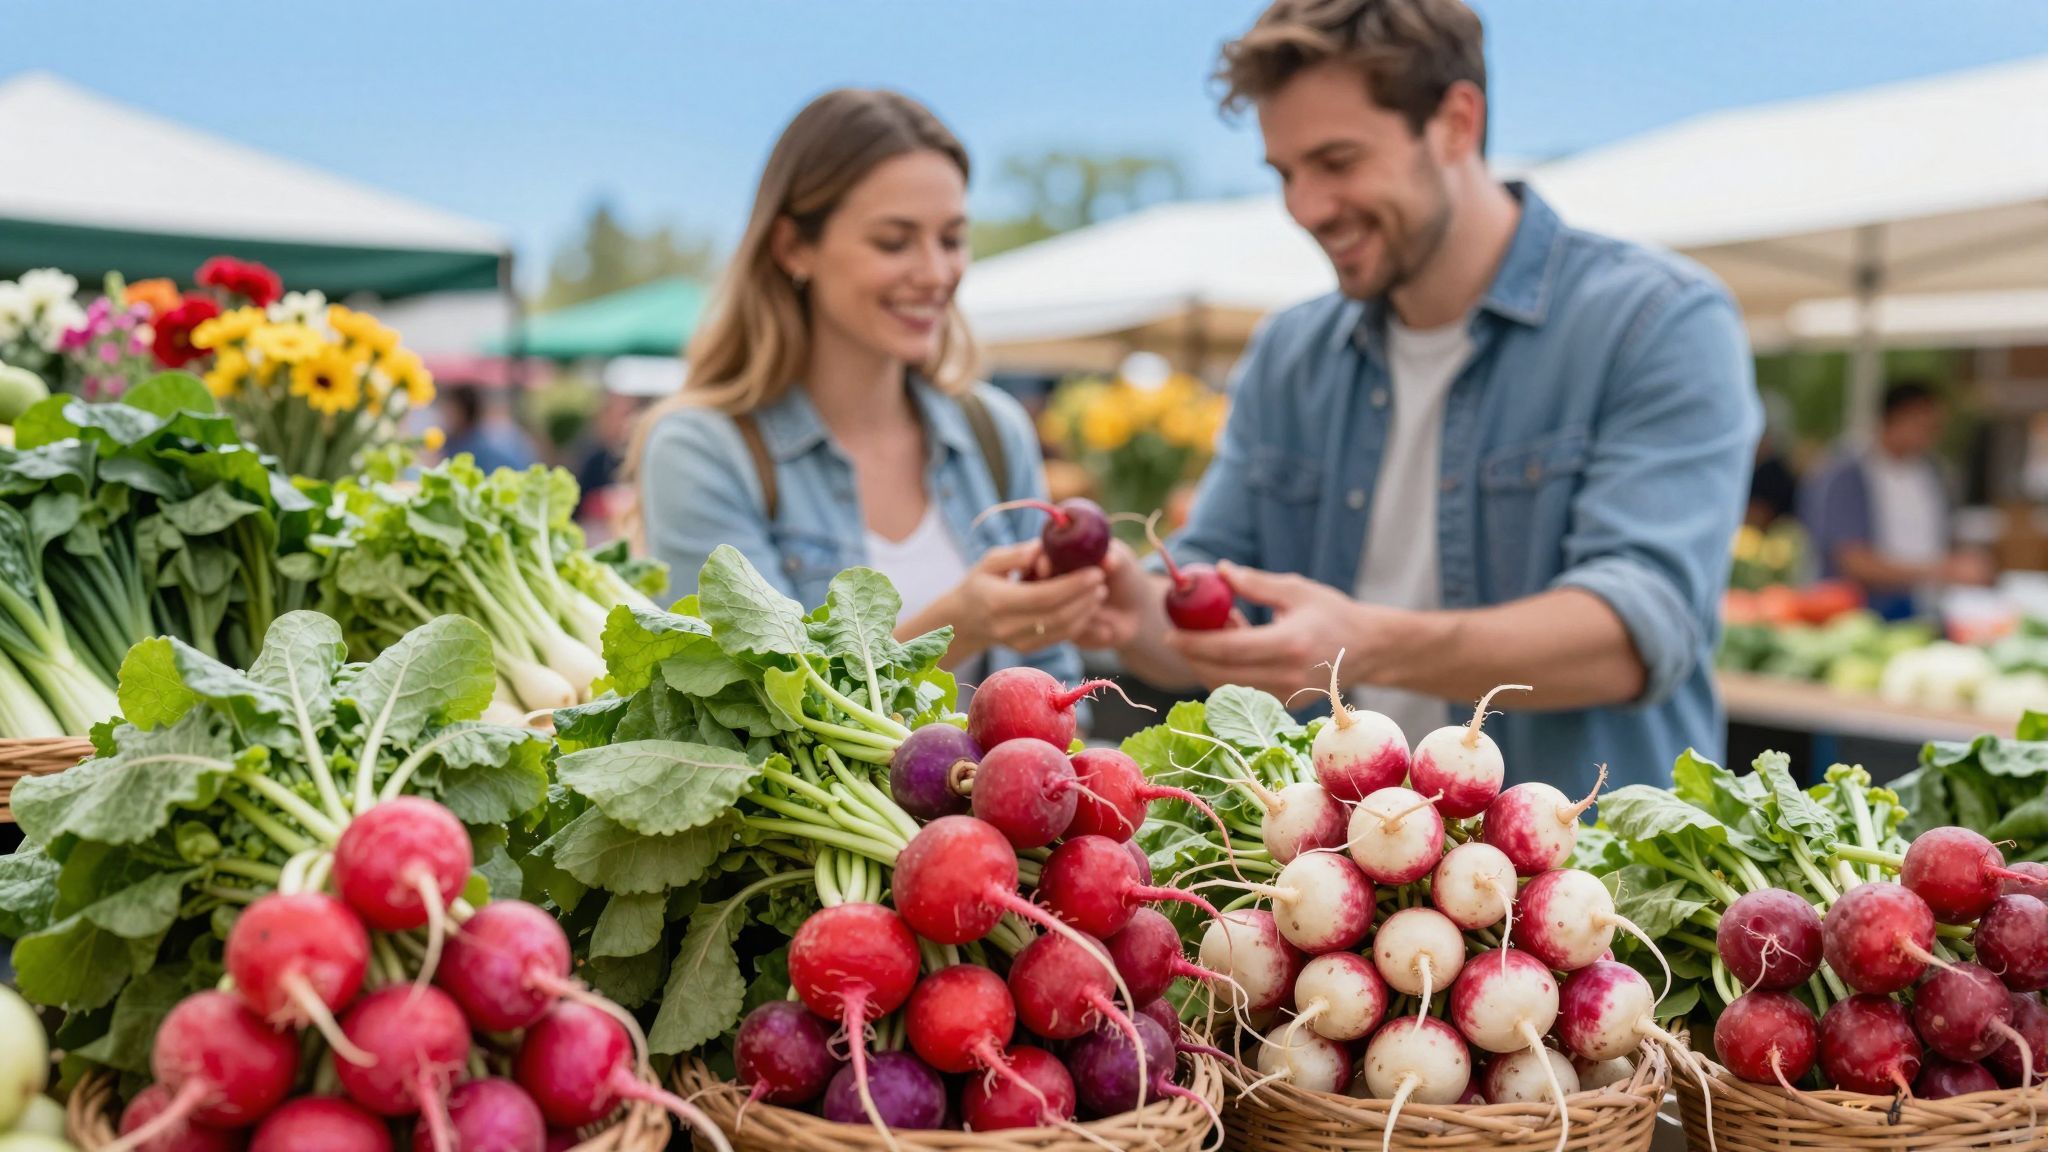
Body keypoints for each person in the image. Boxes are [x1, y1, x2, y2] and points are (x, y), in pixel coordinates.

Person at [1087, 0, 1762, 793]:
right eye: (1285, 174)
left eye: (1337, 162)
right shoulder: (1289, 355)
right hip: (1332, 887)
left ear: (1455, 122)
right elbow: (1218, 602)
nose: (1305, 208)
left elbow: (1635, 634)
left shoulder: (1654, 322)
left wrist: (1366, 642)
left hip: (1583, 888)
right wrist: (1136, 607)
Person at [628, 89, 1094, 688]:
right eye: (894, 242)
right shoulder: (702, 450)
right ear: (794, 246)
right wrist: (957, 626)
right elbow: (751, 714)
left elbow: (1056, 688)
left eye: (951, 239)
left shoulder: (995, 433)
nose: (934, 273)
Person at [1799, 380, 1991, 619]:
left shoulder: (1933, 472)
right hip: (1861, 613)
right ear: (1893, 418)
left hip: (1924, 607)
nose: (1930, 436)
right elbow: (1853, 561)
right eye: (1924, 426)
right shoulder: (1847, 476)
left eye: (1935, 428)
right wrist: (1944, 570)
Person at [439, 384, 539, 473]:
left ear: (465, 412)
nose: (445, 415)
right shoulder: (451, 442)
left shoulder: (485, 450)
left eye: (450, 410)